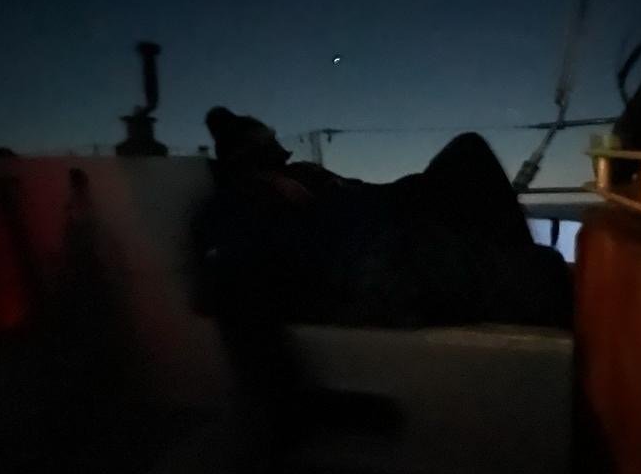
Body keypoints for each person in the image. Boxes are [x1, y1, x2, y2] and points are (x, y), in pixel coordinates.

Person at [199, 107, 571, 329]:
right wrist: (255, 183)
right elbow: (236, 271)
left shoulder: (301, 173)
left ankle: (501, 251)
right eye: (266, 139)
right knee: (545, 273)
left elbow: (359, 196)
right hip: (388, 257)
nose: (278, 144)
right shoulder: (242, 201)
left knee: (468, 150)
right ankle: (504, 259)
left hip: (399, 208)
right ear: (247, 156)